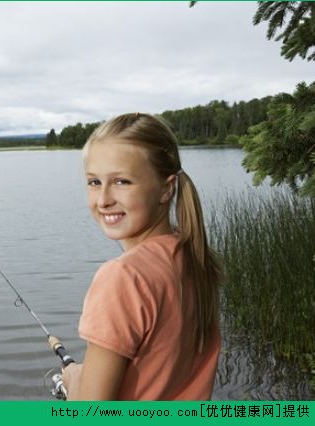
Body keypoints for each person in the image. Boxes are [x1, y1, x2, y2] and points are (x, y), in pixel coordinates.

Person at [62, 112, 222, 400]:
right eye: (94, 182)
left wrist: (75, 382)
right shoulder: (192, 256)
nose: (103, 199)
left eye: (122, 181)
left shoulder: (123, 278)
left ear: (166, 188)